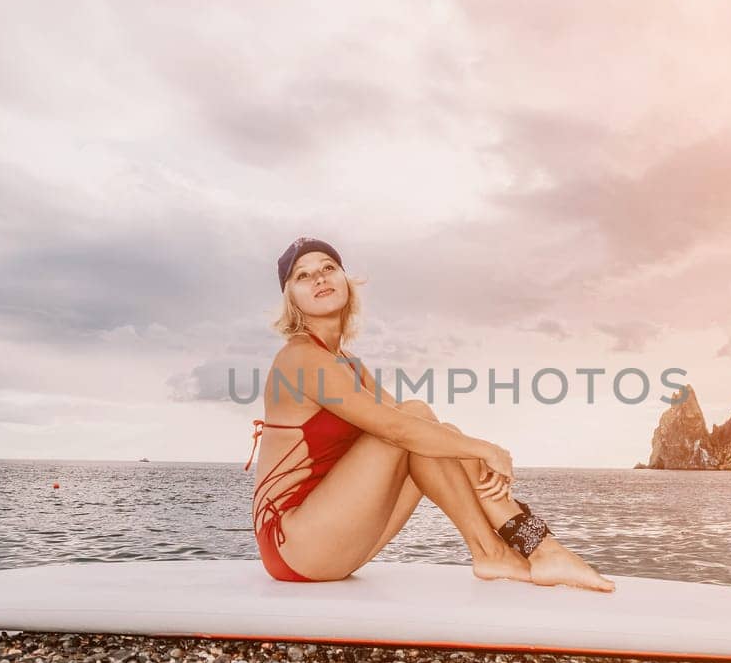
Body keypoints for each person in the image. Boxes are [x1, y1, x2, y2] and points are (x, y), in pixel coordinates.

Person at [245, 236, 615, 591]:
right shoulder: (299, 357)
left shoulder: (347, 364)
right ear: (290, 298)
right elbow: (397, 428)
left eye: (328, 267)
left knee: (436, 432)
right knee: (416, 421)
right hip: (292, 542)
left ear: (346, 280)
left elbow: (421, 433)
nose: (320, 278)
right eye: (303, 275)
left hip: (329, 542)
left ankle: (534, 547)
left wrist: (466, 447)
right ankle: (502, 551)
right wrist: (486, 449)